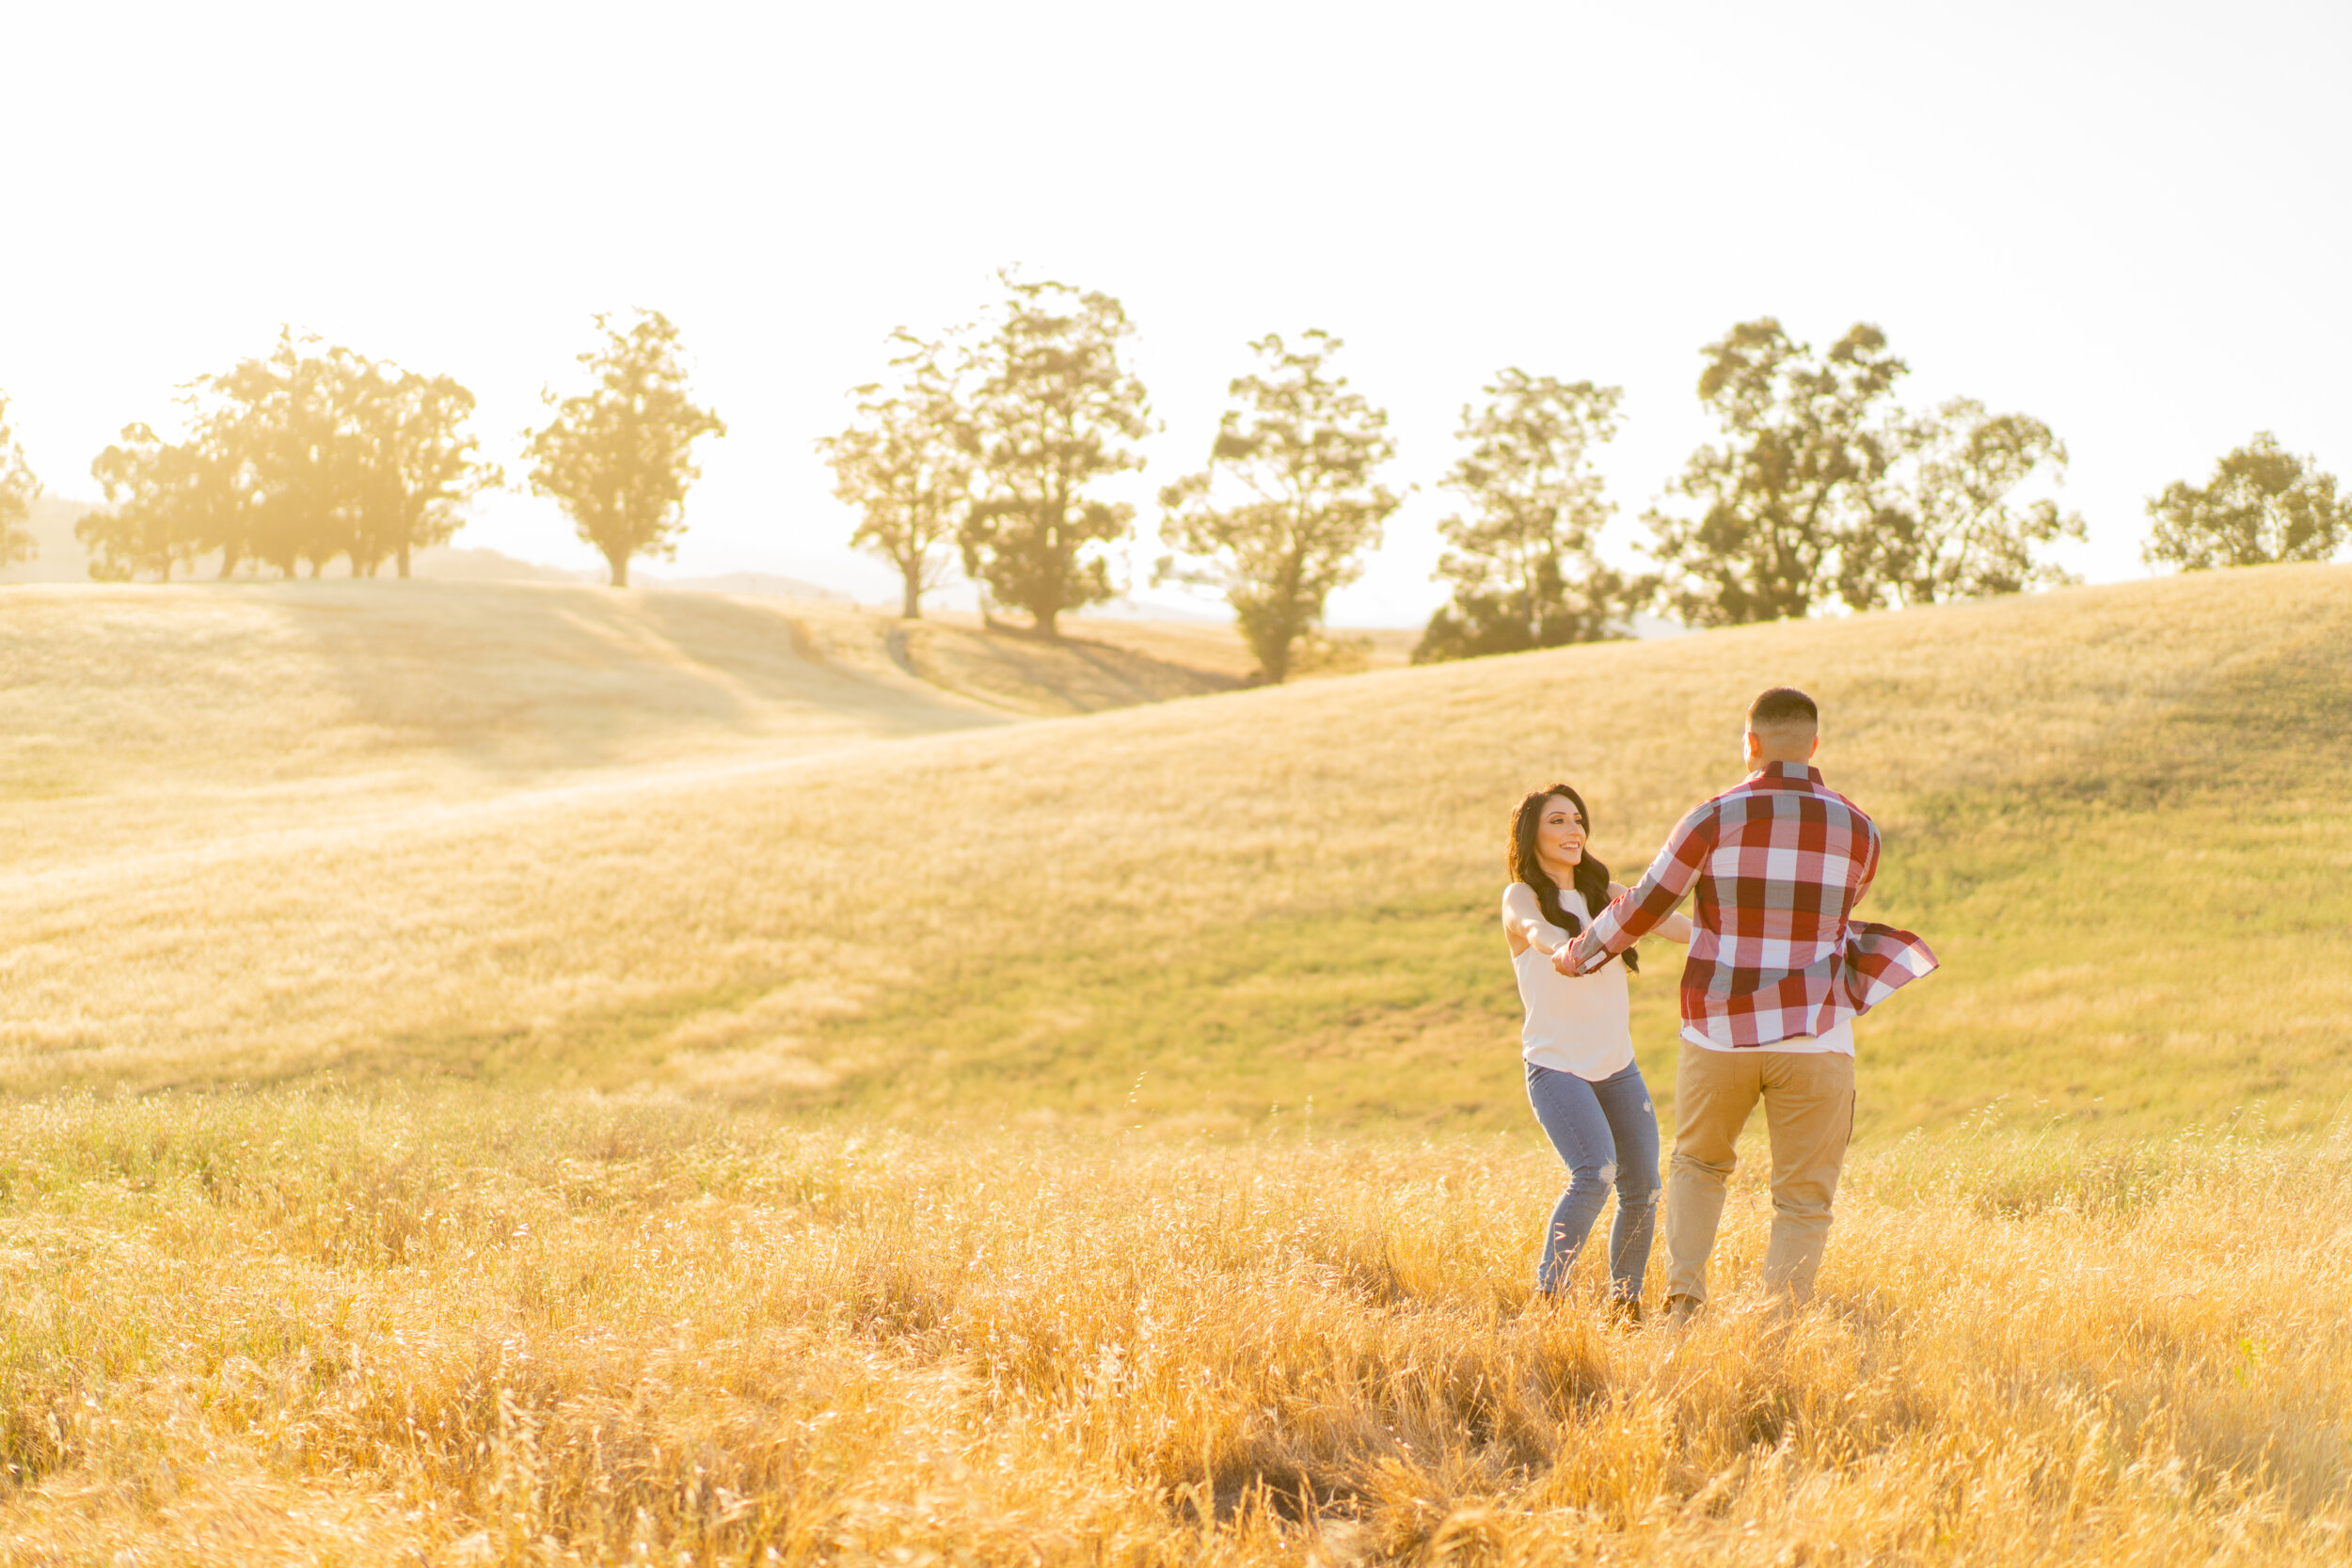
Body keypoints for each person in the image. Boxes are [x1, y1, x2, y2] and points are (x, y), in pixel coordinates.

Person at [1563, 689, 1938, 1320]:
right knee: (1802, 1200)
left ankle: (1684, 1302)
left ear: (1751, 742)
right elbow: (1839, 914)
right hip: (1817, 1037)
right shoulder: (1860, 829)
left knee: (1698, 1164)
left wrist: (1577, 954)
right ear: (1814, 745)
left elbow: (1647, 905)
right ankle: (1775, 1333)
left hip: (1720, 1032)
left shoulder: (1712, 817)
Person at [1502, 784, 1692, 1315]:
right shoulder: (1522, 896)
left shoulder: (1604, 891)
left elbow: (1667, 921)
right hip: (1556, 1066)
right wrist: (1561, 947)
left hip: (1616, 1067)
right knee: (1595, 1172)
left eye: (1578, 820)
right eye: (1558, 821)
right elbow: (1534, 929)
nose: (1573, 830)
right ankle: (1548, 1296)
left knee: (1645, 1189)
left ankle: (1624, 1308)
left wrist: (1724, 942)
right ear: (1532, 835)